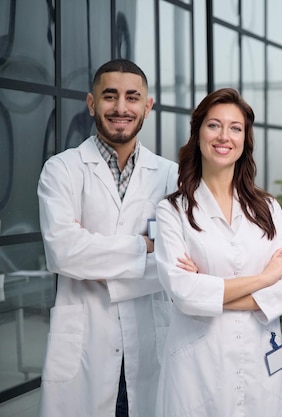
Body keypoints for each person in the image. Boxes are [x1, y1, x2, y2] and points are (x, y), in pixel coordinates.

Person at [37, 58, 178, 417]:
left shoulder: (170, 176)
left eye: (132, 98)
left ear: (148, 106)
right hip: (85, 345)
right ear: (91, 103)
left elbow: (174, 262)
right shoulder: (62, 169)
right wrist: (143, 245)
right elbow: (65, 253)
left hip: (149, 344)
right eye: (109, 96)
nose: (120, 108)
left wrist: (101, 260)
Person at [153, 88, 282, 417]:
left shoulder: (268, 208)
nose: (224, 136)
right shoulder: (173, 211)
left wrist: (209, 289)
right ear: (198, 132)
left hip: (260, 359)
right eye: (213, 125)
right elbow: (182, 293)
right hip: (198, 366)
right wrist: (264, 278)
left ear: (246, 139)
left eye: (235, 128)